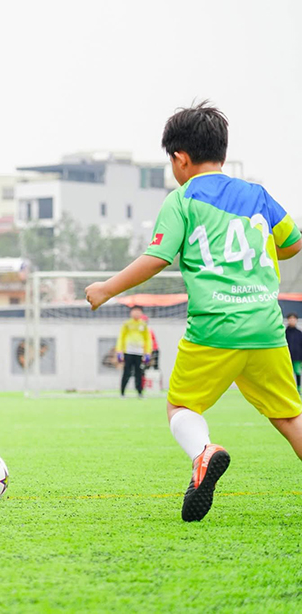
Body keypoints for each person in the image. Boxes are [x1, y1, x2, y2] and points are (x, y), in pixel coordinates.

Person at [86, 101, 302, 522]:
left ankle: (204, 453)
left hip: (214, 328)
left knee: (181, 407)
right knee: (291, 417)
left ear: (180, 158)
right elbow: (293, 243)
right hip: (266, 327)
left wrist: (106, 289)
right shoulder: (257, 194)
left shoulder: (182, 198)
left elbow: (157, 257)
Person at [115, 306, 152, 397]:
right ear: (131, 313)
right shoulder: (127, 324)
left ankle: (139, 392)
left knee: (139, 373)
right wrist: (119, 351)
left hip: (139, 352)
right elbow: (121, 338)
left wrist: (148, 352)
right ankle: (122, 392)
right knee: (126, 372)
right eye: (134, 311)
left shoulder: (143, 325)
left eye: (138, 311)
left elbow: (147, 339)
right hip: (128, 351)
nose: (136, 313)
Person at [286, 313, 302, 392]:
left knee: (297, 372)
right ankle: (288, 389)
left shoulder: (299, 333)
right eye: (290, 319)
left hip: (297, 357)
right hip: (286, 357)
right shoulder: (284, 333)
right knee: (287, 374)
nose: (292, 321)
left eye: (294, 319)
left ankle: (298, 388)